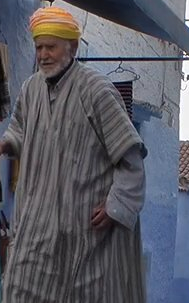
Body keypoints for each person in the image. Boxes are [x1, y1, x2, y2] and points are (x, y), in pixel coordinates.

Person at [1, 6, 147, 303]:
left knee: (91, 294)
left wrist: (115, 205)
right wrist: (5, 144)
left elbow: (130, 158)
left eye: (50, 47)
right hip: (38, 226)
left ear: (73, 47)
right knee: (20, 288)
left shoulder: (97, 91)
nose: (43, 55)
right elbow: (18, 130)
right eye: (39, 47)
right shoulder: (31, 88)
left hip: (86, 229)